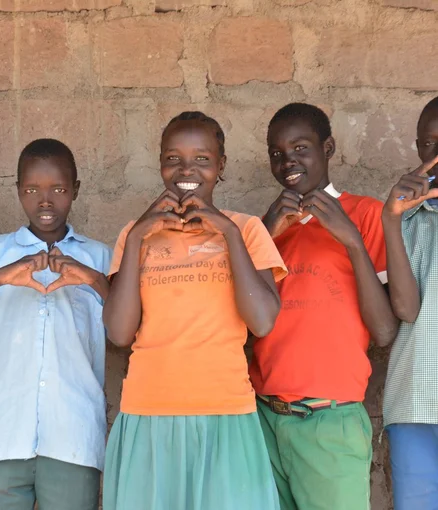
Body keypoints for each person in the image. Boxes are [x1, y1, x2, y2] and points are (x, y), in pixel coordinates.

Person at [102, 111, 286, 510]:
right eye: (174, 158)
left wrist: (228, 232)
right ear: (161, 164)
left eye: (202, 158)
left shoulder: (248, 229)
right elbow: (118, 332)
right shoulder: (136, 234)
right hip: (148, 413)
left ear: (221, 166)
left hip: (225, 412)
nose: (187, 169)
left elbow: (263, 320)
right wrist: (136, 238)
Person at [0, 139, 111, 510]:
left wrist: (92, 278)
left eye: (58, 189)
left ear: (76, 189)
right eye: (31, 190)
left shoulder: (100, 256)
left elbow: (128, 330)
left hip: (72, 437)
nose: (45, 201)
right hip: (1, 438)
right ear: (17, 191)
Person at [249, 103, 399, 510]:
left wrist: (349, 239)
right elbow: (242, 320)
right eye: (276, 153)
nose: (287, 162)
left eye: (300, 148)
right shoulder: (263, 228)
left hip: (329, 420)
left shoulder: (365, 215)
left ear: (328, 147)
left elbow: (384, 331)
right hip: (263, 416)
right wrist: (262, 235)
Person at [382, 96, 438, 510]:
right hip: (417, 399)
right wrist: (391, 220)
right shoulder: (410, 219)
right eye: (429, 144)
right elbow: (407, 310)